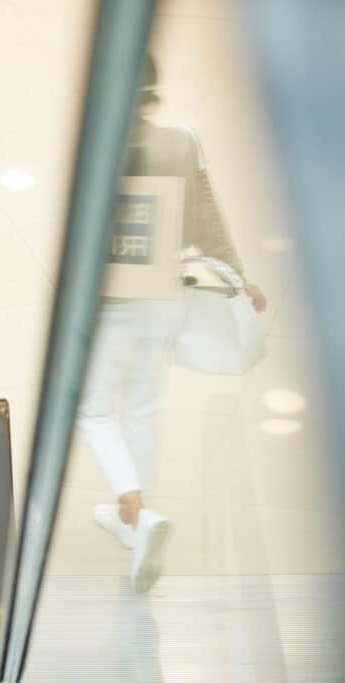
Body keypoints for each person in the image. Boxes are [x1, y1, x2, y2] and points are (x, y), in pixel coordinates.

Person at [77, 54, 267, 593]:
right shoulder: (180, 142)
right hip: (162, 290)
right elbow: (206, 215)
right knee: (141, 404)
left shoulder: (92, 146)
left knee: (93, 409)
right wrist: (237, 276)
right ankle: (137, 525)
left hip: (106, 296)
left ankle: (134, 508)